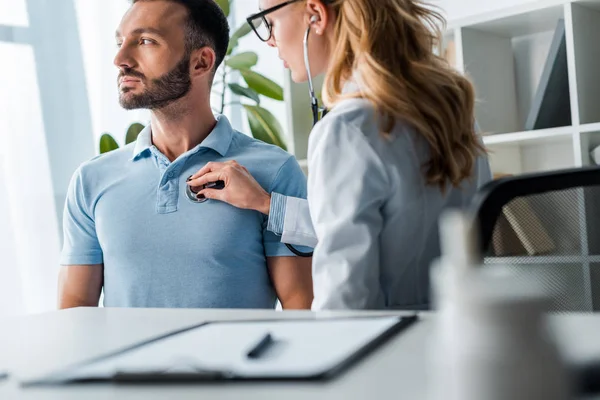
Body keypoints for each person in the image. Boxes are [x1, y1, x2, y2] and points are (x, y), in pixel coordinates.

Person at [187, 0, 492, 310]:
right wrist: (266, 204)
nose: (269, 40)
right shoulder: (451, 113)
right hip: (455, 338)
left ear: (315, 15)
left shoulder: (348, 128)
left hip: (390, 350)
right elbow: (393, 224)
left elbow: (344, 304)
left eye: (271, 22)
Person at [58, 0, 313, 310]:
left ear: (201, 63)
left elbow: (301, 307)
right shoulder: (91, 180)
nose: (120, 59)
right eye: (120, 42)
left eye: (146, 41)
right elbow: (75, 313)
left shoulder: (274, 173)